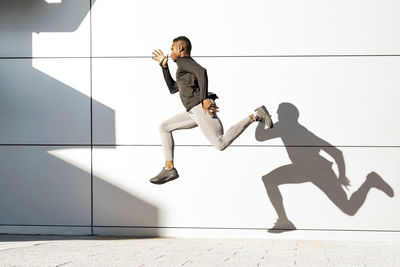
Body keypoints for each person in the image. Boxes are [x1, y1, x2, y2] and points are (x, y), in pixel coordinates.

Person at [150, 36, 273, 184]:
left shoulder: (184, 62)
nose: (170, 53)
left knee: (220, 143)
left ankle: (255, 115)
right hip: (193, 111)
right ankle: (169, 168)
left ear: (180, 48)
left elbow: (202, 71)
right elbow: (173, 88)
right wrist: (164, 68)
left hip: (199, 108)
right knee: (164, 127)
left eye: (172, 49)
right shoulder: (183, 68)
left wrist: (204, 99)